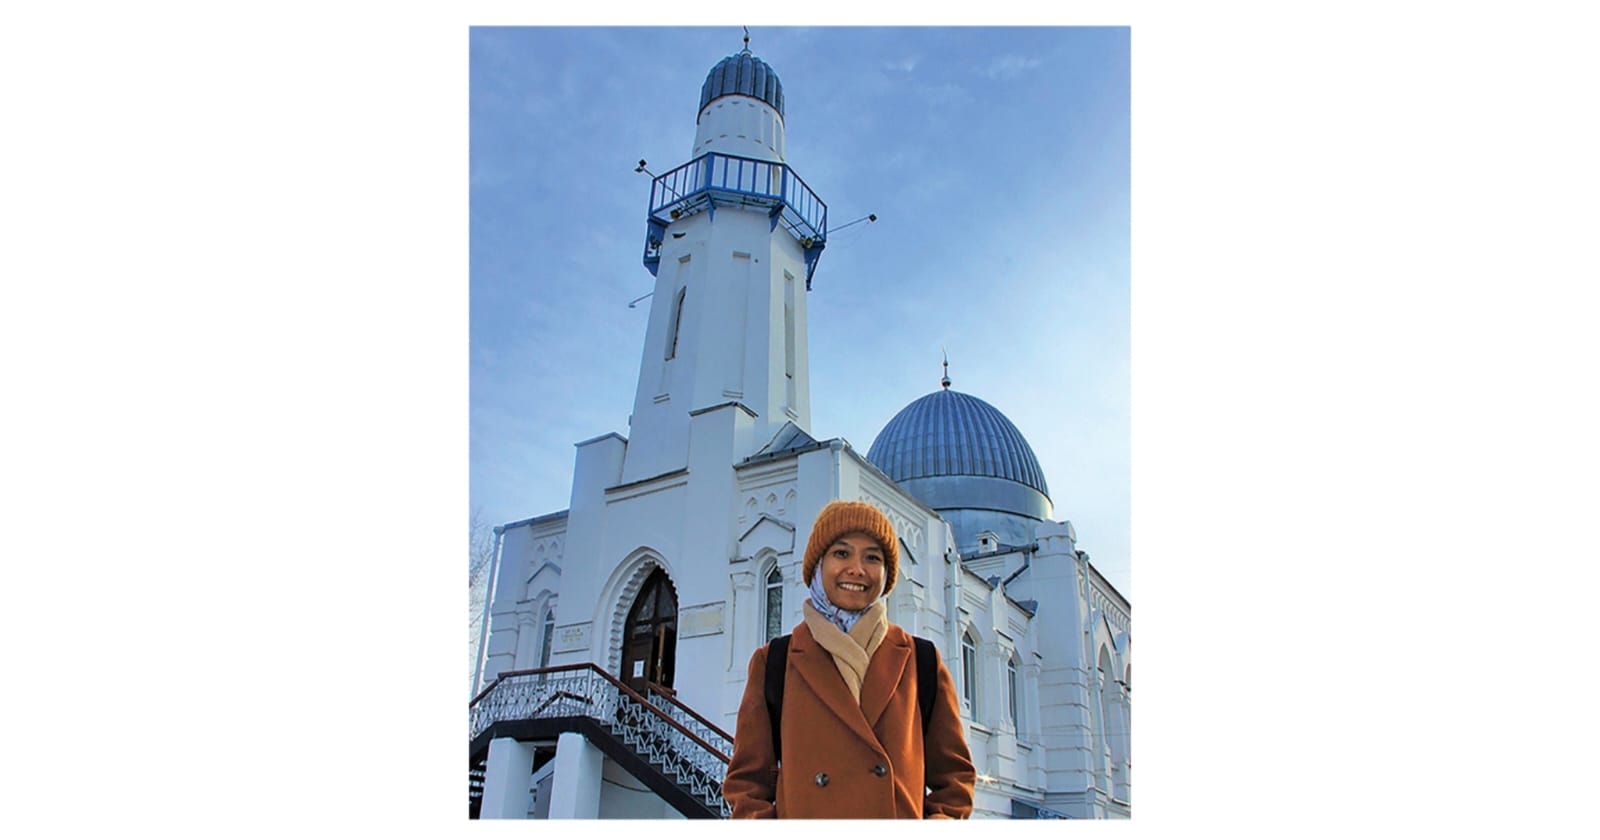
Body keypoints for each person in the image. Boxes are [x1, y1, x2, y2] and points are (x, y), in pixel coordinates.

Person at [722, 500, 975, 819]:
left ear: (887, 574)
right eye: (841, 553)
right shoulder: (775, 662)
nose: (857, 569)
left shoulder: (921, 661)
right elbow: (747, 785)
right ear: (817, 565)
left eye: (872, 557)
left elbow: (955, 781)